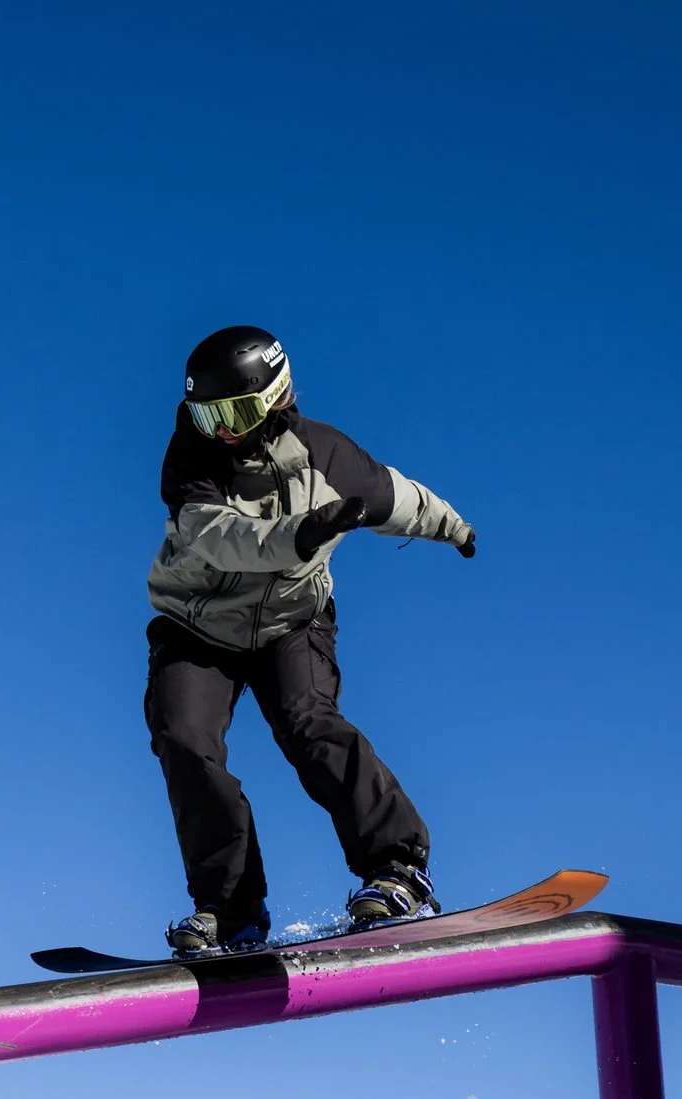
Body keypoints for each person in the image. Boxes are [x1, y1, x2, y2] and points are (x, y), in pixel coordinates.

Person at [144, 325, 477, 955]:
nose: (220, 431)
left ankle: (397, 869)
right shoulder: (190, 458)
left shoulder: (329, 455)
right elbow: (217, 536)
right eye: (206, 414)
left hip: (293, 622)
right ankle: (229, 906)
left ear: (275, 395)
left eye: (234, 413)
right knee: (184, 738)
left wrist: (455, 528)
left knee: (310, 722)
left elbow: (398, 498)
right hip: (195, 622)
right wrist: (297, 536)